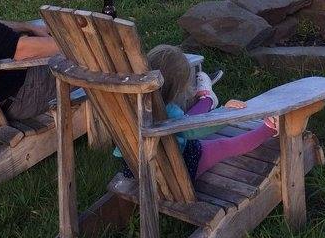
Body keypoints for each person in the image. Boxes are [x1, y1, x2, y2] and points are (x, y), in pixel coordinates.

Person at [118, 44, 278, 181]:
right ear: (177, 88)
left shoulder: (128, 107)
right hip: (176, 168)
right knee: (225, 146)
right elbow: (194, 129)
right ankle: (270, 127)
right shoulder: (169, 111)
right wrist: (225, 114)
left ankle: (206, 98)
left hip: (134, 169)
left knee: (184, 121)